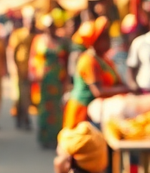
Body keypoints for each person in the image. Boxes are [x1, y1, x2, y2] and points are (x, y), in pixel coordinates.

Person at [63, 16, 129, 129]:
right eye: (105, 37)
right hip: (82, 114)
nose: (109, 39)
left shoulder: (104, 59)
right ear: (97, 41)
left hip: (97, 112)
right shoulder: (88, 60)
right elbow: (98, 91)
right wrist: (125, 89)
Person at [30, 11, 69, 149]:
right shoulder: (39, 40)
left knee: (57, 109)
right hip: (44, 80)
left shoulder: (61, 41)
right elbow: (33, 58)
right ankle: (44, 137)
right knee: (44, 108)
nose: (50, 28)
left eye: (52, 26)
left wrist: (66, 80)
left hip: (58, 79)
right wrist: (33, 74)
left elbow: (66, 59)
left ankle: (56, 137)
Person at [7, 10, 35, 131]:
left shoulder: (36, 36)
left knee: (28, 96)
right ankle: (21, 118)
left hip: (31, 72)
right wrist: (12, 66)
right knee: (19, 96)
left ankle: (25, 118)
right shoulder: (18, 34)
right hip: (19, 71)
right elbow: (11, 50)